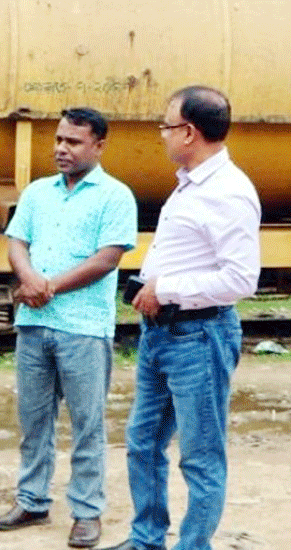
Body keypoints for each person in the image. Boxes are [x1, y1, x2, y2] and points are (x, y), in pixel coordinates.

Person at [101, 87, 260, 550]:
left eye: (167, 127)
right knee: (143, 443)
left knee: (201, 455)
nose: (163, 136)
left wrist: (164, 289)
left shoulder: (229, 193)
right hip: (163, 334)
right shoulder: (191, 182)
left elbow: (240, 279)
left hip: (200, 336)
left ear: (189, 132)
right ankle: (146, 539)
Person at [0, 107, 138, 548]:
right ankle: (32, 500)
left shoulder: (115, 196)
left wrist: (46, 285)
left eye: (73, 142)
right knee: (34, 420)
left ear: (99, 145)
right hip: (34, 324)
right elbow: (17, 240)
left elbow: (107, 259)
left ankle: (87, 512)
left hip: (84, 328)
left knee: (87, 423)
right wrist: (28, 277)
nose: (61, 149)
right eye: (58, 140)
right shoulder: (38, 192)